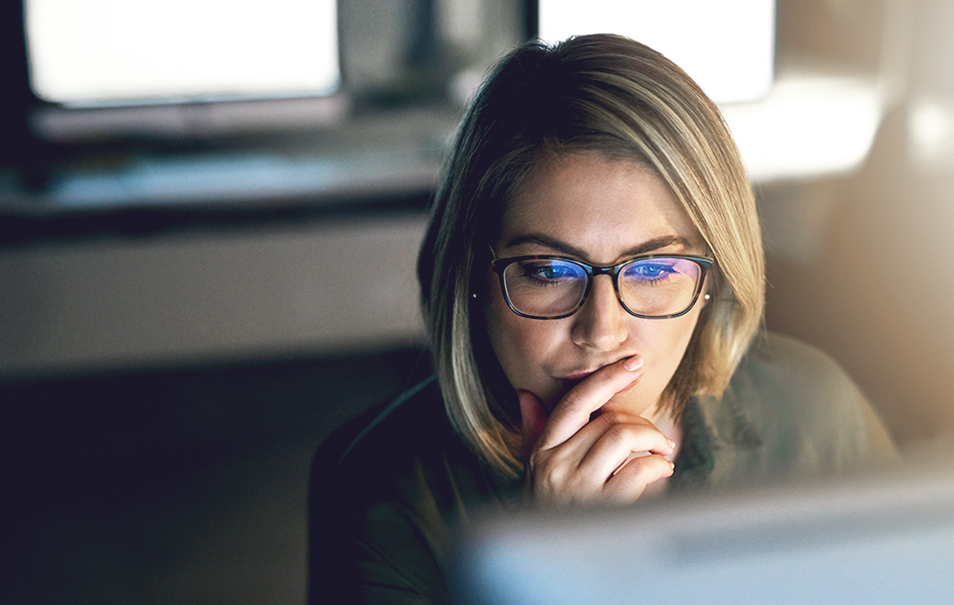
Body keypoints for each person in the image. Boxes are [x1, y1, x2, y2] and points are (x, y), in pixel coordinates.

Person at [308, 33, 898, 603]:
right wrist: (561, 565)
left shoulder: (817, 414)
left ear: (714, 276)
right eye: (549, 271)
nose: (603, 332)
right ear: (472, 278)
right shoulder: (381, 495)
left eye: (654, 270)